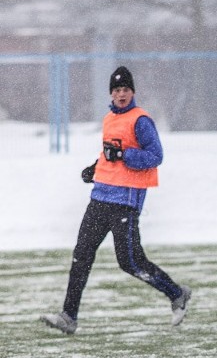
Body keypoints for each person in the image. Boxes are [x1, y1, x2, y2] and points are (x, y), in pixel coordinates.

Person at [40, 66, 191, 335]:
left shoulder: (141, 120)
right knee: (81, 256)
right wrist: (94, 168)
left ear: (133, 92)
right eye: (117, 90)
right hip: (100, 197)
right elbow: (110, 152)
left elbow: (155, 156)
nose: (121, 94)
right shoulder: (109, 119)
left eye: (126, 89)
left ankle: (177, 293)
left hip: (125, 201)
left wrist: (123, 156)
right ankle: (68, 317)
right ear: (111, 93)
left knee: (130, 262)